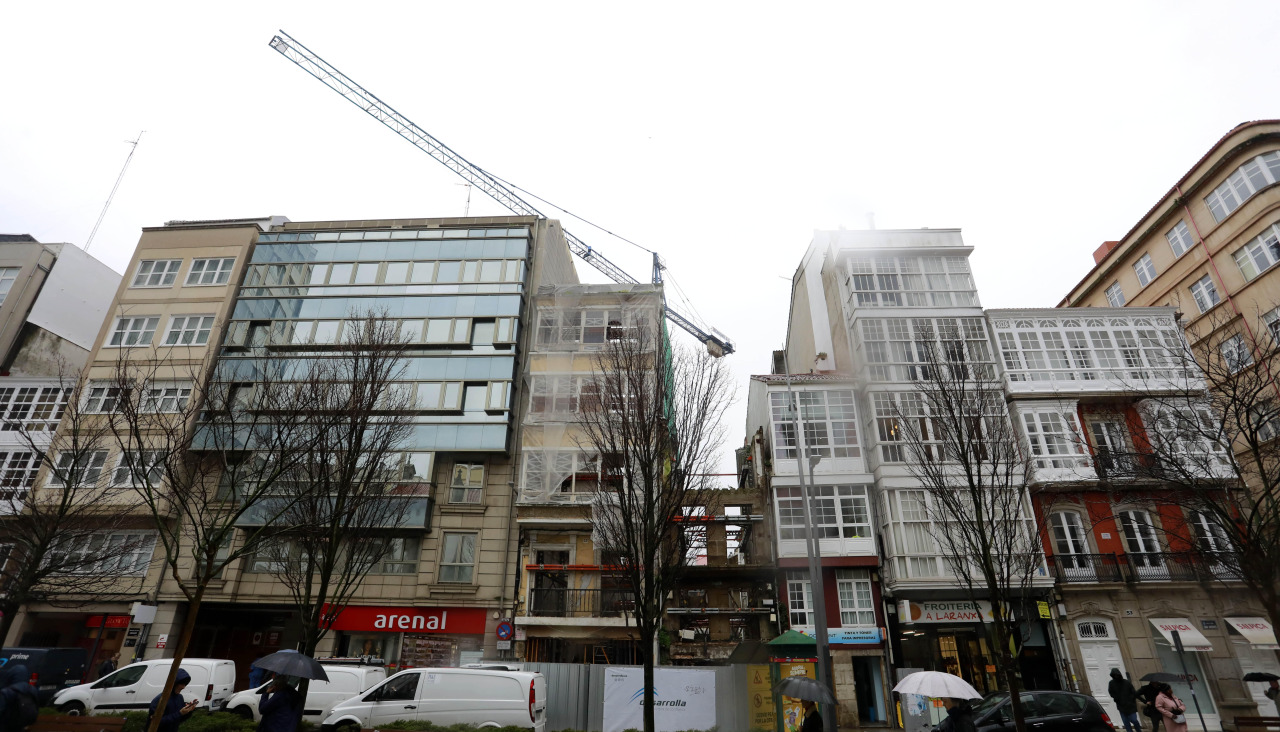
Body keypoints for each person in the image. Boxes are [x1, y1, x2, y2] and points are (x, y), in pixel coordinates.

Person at [0, 664, 39, 732]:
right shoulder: (33, 690)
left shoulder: (7, 692)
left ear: (11, 676)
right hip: (22, 725)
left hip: (6, 726)